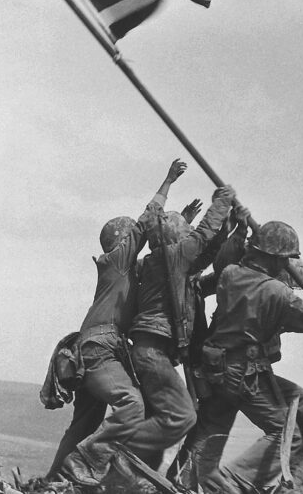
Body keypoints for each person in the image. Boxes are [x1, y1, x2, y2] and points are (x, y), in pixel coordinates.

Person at [48, 159, 189, 483]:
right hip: (100, 349)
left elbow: (162, 250)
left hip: (90, 350)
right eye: (132, 239)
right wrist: (167, 182)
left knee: (84, 423)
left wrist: (182, 224)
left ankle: (53, 483)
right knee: (131, 405)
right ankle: (85, 463)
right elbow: (147, 222)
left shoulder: (121, 270)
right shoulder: (117, 261)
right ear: (122, 241)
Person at [186, 221, 303, 493]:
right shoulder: (277, 293)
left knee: (300, 404)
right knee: (288, 434)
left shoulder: (231, 275)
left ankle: (196, 483)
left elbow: (275, 313)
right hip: (244, 373)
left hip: (217, 369)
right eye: (284, 259)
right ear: (273, 257)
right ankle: (237, 481)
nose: (285, 265)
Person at [126, 183, 239, 468]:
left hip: (153, 351)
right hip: (153, 352)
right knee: (183, 416)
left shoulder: (164, 265)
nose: (190, 239)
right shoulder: (172, 257)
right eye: (184, 234)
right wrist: (222, 201)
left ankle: (136, 476)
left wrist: (232, 227)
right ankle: (107, 449)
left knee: (159, 422)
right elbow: (203, 237)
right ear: (176, 238)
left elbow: (209, 253)